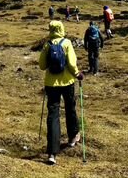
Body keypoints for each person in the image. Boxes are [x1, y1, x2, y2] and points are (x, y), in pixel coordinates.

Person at [39, 20, 84, 165]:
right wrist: (77, 74)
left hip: (51, 84)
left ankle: (52, 153)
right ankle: (72, 138)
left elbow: (42, 65)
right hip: (67, 82)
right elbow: (71, 63)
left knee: (53, 115)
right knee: (70, 108)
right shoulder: (66, 43)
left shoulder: (47, 45)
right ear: (62, 29)